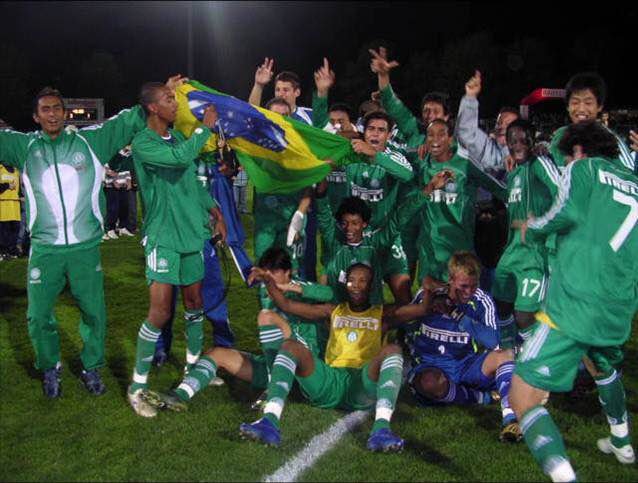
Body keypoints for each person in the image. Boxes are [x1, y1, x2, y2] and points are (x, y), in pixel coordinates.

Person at [0, 81, 159, 398]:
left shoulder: (90, 141)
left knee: (93, 312)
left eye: (57, 108)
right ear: (35, 117)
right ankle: (50, 367)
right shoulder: (23, 147)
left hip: (84, 247)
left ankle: (91, 366)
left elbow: (126, 122)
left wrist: (157, 98)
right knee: (37, 315)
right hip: (45, 249)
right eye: (45, 109)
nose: (52, 114)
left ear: (65, 112)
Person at [511, 121, 638, 481]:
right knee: (605, 367)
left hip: (575, 303)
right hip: (617, 310)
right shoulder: (635, 183)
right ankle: (621, 440)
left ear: (578, 150)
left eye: (566, 157)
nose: (565, 163)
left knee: (523, 396)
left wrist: (532, 226)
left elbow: (565, 211)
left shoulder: (585, 167)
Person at [239, 262, 431, 451]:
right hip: (330, 381)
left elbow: (422, 309)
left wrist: (429, 290)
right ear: (345, 284)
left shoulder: (382, 314)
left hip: (362, 385)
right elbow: (286, 304)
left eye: (362, 281)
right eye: (351, 280)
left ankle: (381, 429)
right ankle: (269, 421)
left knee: (393, 350)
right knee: (290, 346)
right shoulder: (332, 311)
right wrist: (268, 281)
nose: (355, 286)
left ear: (371, 286)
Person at [126, 81, 226, 417]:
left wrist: (215, 211)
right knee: (160, 312)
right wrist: (205, 129)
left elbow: (190, 182)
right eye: (169, 99)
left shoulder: (180, 138)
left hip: (190, 236)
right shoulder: (143, 143)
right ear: (153, 108)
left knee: (194, 302)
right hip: (163, 237)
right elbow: (178, 159)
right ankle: (137, 387)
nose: (175, 104)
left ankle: (194, 370)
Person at [139, 247, 334, 410]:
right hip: (272, 363)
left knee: (267, 317)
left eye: (273, 274)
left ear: (288, 272)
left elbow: (328, 293)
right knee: (216, 354)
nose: (269, 281)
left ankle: (272, 391)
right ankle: (180, 395)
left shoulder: (300, 287)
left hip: (302, 367)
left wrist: (290, 288)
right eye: (266, 274)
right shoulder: (266, 292)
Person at [404, 252, 521, 442]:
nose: (469, 292)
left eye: (473, 286)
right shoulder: (427, 296)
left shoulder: (482, 301)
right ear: (450, 279)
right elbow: (407, 322)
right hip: (430, 367)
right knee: (429, 383)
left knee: (506, 355)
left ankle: (510, 419)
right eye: (463, 286)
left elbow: (494, 342)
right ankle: (481, 398)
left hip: (465, 366)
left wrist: (457, 315)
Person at [491, 120, 560, 348]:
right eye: (513, 141)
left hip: (535, 255)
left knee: (524, 315)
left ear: (533, 141)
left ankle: (540, 360)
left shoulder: (539, 163)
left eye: (523, 140)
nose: (518, 145)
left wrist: (543, 226)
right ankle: (510, 353)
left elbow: (564, 193)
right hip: (511, 253)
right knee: (501, 305)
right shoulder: (513, 174)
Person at [414, 119, 506, 284]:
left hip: (459, 248)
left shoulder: (465, 165)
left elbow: (498, 188)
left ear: (450, 139)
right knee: (429, 305)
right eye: (430, 135)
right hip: (429, 250)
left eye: (441, 134)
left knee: (461, 300)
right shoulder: (421, 163)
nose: (435, 139)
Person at [550, 72, 635, 172]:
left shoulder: (613, 142)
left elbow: (630, 179)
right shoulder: (559, 135)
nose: (581, 109)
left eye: (588, 103)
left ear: (599, 107)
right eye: (575, 102)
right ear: (568, 106)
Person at [456, 70, 519, 173]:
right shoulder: (487, 146)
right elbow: (466, 133)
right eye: (499, 123)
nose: (501, 126)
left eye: (508, 124)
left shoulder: (529, 153)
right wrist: (470, 98)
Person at [0, 163, 21, 259]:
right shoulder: (0, 169)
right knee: (4, 230)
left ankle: (12, 250)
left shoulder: (16, 171)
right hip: (3, 203)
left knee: (15, 229)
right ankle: (3, 251)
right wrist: (7, 185)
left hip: (15, 204)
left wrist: (21, 196)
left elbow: (18, 188)